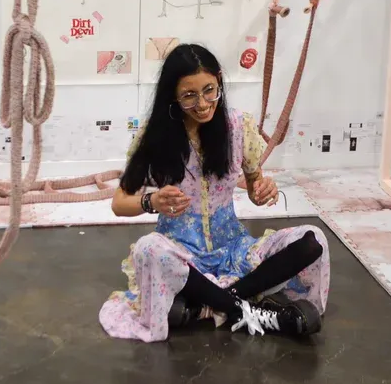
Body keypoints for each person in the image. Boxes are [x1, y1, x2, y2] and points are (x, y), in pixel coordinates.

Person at [98, 43, 329, 342]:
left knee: (313, 240)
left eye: (209, 90)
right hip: (181, 258)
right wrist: (151, 201)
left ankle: (207, 305)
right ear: (173, 95)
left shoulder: (238, 127)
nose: (203, 103)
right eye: (189, 96)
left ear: (219, 80)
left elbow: (256, 187)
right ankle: (250, 311)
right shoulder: (154, 137)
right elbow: (119, 203)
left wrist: (263, 191)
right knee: (149, 249)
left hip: (233, 251)